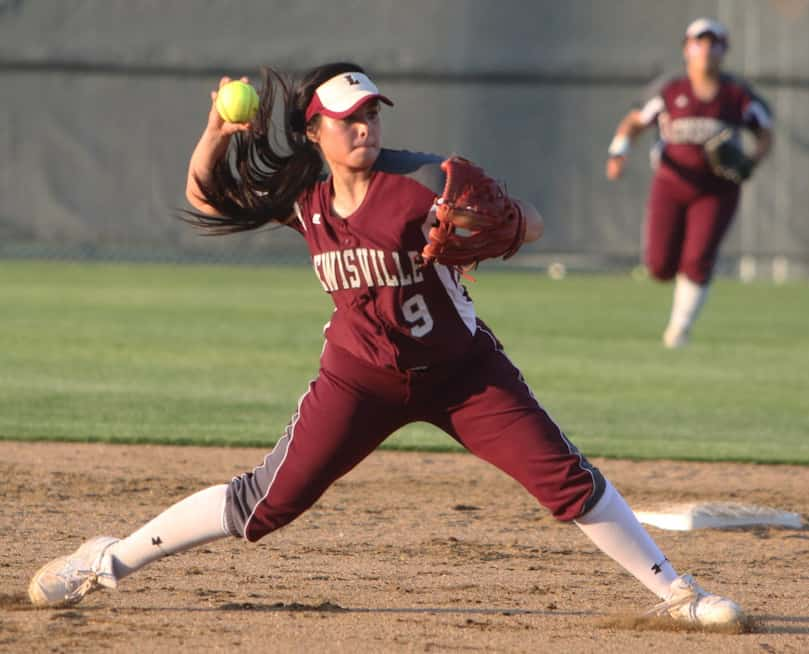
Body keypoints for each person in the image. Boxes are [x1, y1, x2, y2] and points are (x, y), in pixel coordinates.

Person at [29, 61, 743, 626]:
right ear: (316, 132)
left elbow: (531, 223)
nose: (364, 126)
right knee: (262, 508)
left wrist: (506, 228)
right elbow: (206, 196)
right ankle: (104, 563)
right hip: (358, 380)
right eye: (348, 117)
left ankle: (679, 593)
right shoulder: (303, 197)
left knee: (561, 476)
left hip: (464, 376)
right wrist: (218, 127)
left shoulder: (421, 182)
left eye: (371, 112)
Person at [606, 18, 774, 348]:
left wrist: (751, 161)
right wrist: (619, 150)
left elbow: (765, 133)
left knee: (697, 259)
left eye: (714, 43)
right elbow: (635, 121)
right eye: (699, 42)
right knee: (659, 266)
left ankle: (679, 329)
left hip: (717, 188)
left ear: (724, 50)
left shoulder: (736, 95)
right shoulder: (670, 90)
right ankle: (675, 312)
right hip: (671, 183)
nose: (706, 50)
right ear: (686, 48)